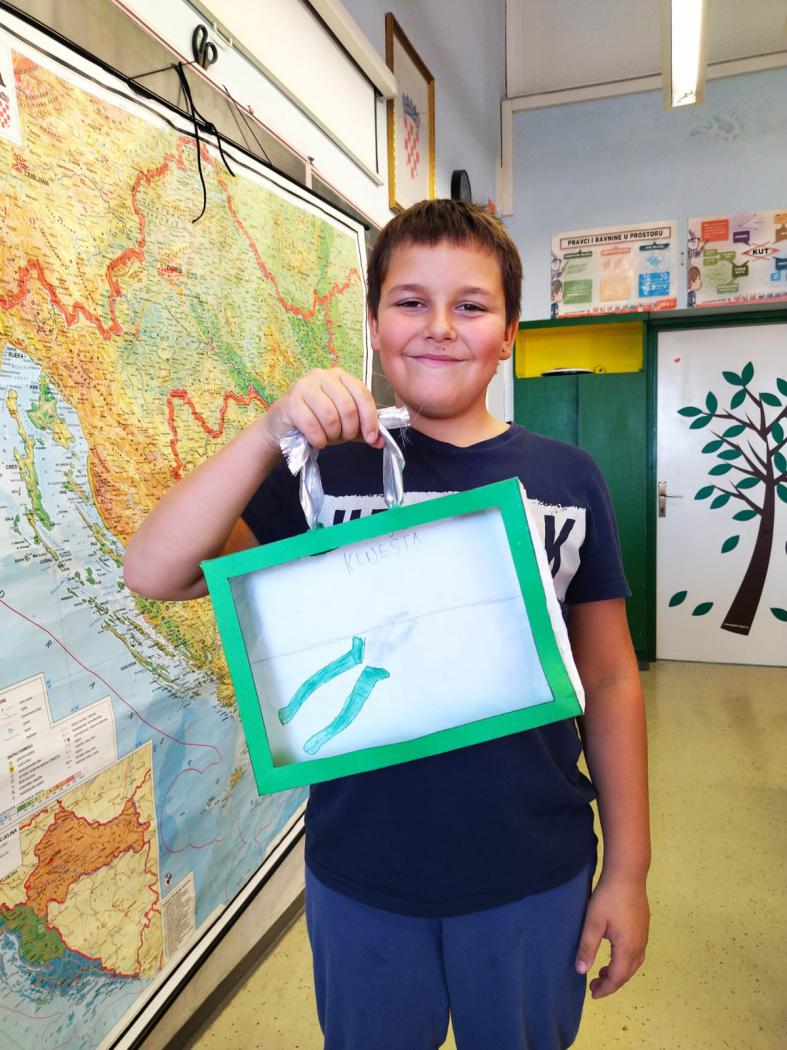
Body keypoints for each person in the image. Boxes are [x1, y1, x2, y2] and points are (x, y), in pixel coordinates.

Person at [124, 199, 650, 1050]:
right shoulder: (320, 472)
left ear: (508, 334)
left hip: (533, 869)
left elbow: (612, 676)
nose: (438, 326)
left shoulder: (566, 478)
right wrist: (270, 431)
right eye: (410, 302)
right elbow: (155, 571)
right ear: (373, 326)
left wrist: (627, 868)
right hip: (361, 875)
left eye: (470, 305)